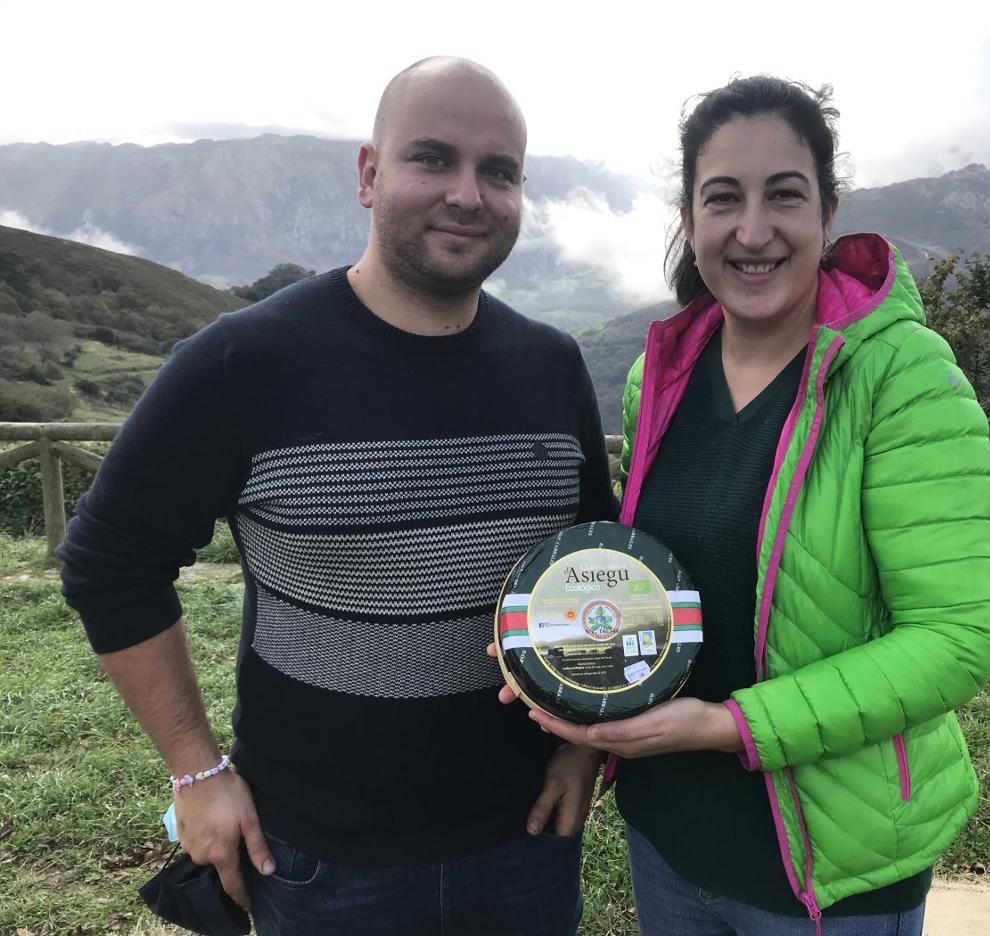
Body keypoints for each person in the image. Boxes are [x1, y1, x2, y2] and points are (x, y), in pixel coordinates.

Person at [57, 57, 613, 935]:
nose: (468, 194)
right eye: (433, 158)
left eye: (498, 170)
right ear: (368, 174)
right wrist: (196, 772)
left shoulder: (552, 366)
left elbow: (593, 569)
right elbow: (107, 564)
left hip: (528, 839)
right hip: (319, 858)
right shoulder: (243, 362)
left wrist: (583, 743)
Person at [522, 76, 990, 935]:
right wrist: (564, 689)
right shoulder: (658, 377)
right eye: (722, 199)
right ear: (688, 217)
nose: (753, 230)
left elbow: (955, 644)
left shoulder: (905, 379)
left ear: (829, 208)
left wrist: (723, 726)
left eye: (784, 194)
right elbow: (643, 583)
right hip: (668, 837)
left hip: (831, 874)